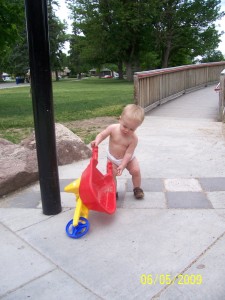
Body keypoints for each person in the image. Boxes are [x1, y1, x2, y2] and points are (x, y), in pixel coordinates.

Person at [91, 104, 145, 199]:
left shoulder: (133, 139)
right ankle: (113, 192)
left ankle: (137, 188)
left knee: (136, 171)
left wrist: (123, 164)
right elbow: (102, 135)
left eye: (132, 129)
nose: (127, 130)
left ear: (137, 127)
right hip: (112, 159)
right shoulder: (113, 128)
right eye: (125, 126)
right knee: (111, 175)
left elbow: (129, 153)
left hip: (128, 159)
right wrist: (97, 141)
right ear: (120, 119)